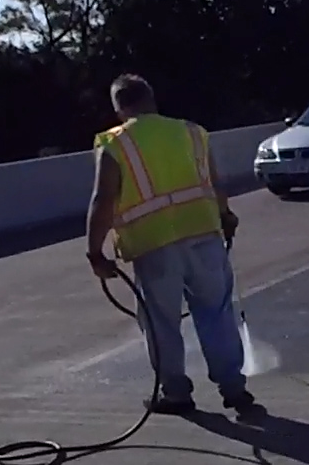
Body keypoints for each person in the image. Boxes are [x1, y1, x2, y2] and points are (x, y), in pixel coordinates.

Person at [85, 73, 259, 416]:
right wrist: (225, 215)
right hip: (204, 235)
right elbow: (213, 182)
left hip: (154, 245)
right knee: (216, 313)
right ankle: (234, 389)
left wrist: (94, 251)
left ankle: (177, 393)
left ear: (120, 108)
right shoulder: (192, 132)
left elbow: (103, 199)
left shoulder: (116, 143)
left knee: (161, 321)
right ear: (152, 99)